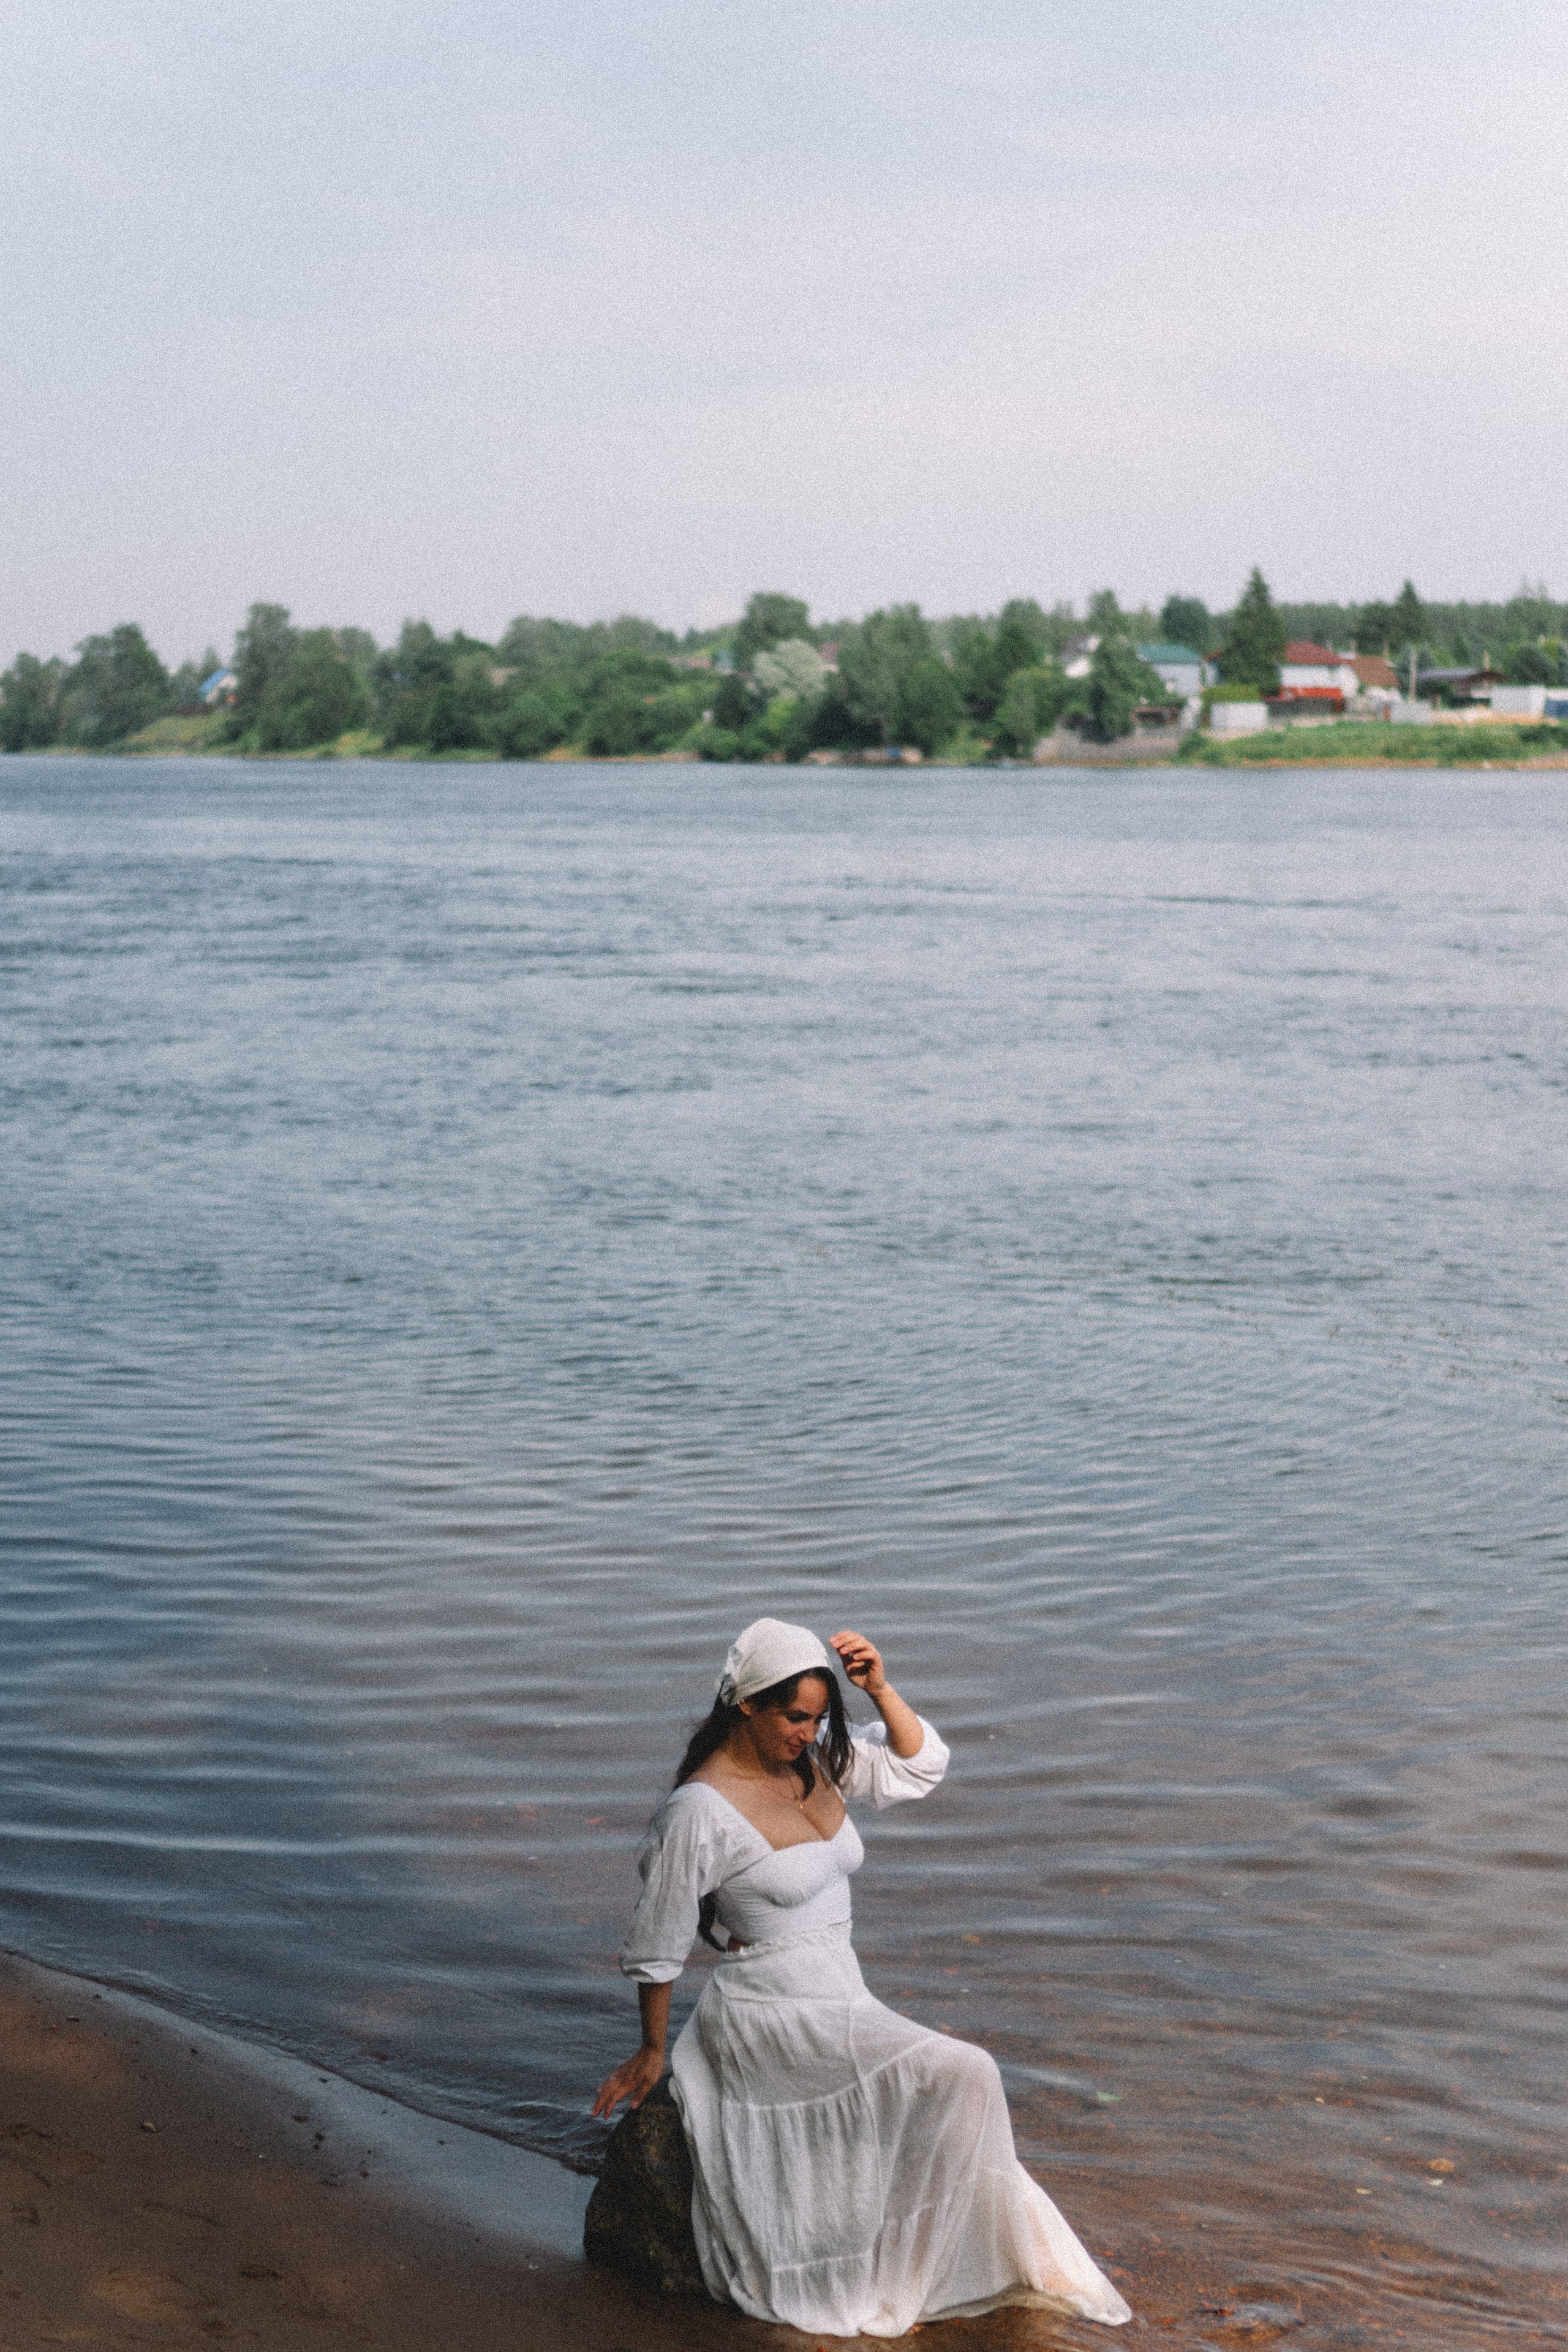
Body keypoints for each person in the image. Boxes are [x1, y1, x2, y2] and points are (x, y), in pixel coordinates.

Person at [592, 1617, 1131, 2338]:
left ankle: (940, 2260)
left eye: (818, 1718)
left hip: (841, 1994)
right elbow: (657, 1945)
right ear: (745, 1704)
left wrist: (877, 1687)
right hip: (770, 2010)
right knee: (967, 2069)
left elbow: (918, 1768)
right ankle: (922, 2267)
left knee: (959, 2079)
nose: (808, 1733)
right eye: (793, 1717)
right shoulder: (699, 1810)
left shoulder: (816, 1764)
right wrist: (653, 2051)